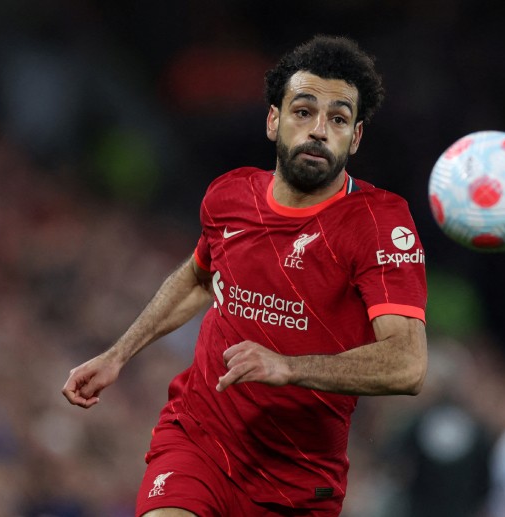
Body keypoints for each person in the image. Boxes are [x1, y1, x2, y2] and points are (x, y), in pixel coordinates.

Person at [62, 35, 429, 517]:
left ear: (355, 138)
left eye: (338, 119)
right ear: (274, 120)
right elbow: (198, 279)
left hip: (298, 480)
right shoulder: (230, 195)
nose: (319, 130)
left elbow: (407, 364)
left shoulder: (379, 223)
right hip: (198, 442)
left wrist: (289, 367)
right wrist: (118, 354)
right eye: (303, 112)